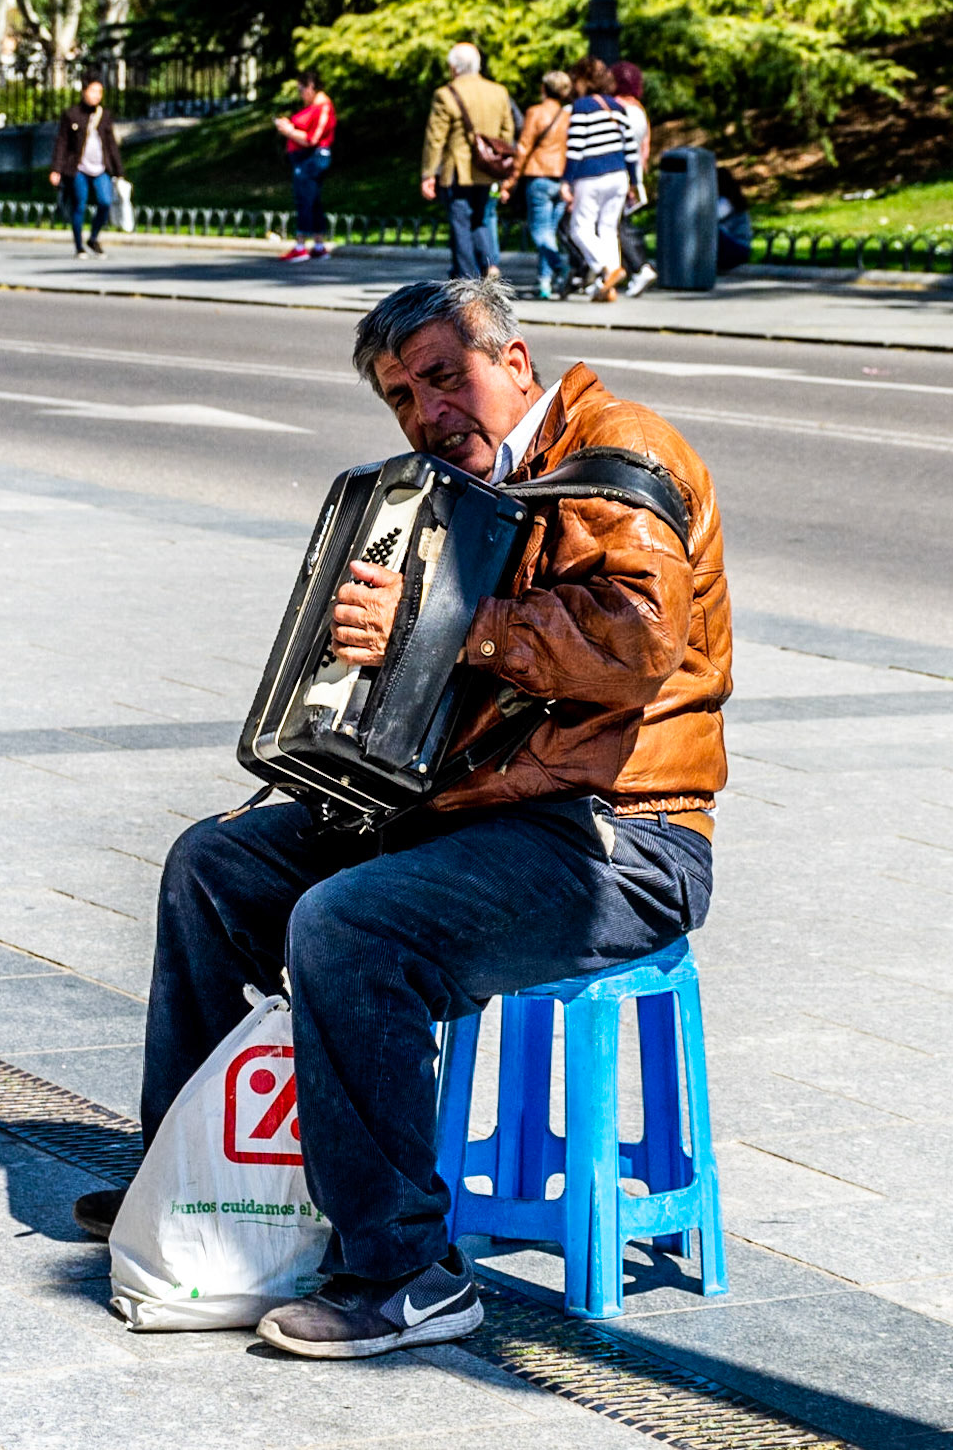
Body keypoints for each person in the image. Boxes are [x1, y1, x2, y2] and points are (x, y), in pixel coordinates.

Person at [75, 277, 731, 1360]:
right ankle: (188, 1191)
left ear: (514, 359)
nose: (428, 413)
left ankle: (406, 1270)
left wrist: (448, 619)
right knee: (214, 865)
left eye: (443, 377)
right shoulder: (455, 493)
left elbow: (633, 642)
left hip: (624, 836)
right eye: (401, 398)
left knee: (351, 923)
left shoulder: (623, 450)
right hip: (483, 817)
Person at [420, 43, 515, 280]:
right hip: (488, 169)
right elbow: (507, 132)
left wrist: (428, 174)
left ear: (454, 67)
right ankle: (488, 264)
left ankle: (466, 278)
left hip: (458, 170)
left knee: (460, 223)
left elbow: (435, 139)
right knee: (481, 218)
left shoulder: (446, 94)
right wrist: (501, 167)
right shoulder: (498, 91)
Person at [564, 56, 635, 301]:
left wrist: (566, 181)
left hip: (590, 174)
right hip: (619, 174)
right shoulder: (617, 107)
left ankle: (606, 270)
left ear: (582, 80)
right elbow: (630, 148)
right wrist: (635, 181)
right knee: (608, 228)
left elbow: (575, 147)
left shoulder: (582, 106)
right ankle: (609, 288)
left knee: (579, 228)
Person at [503, 70, 572, 299]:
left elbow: (523, 148)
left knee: (539, 232)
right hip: (562, 179)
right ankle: (545, 283)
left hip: (539, 176)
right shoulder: (568, 115)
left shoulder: (536, 112)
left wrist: (511, 180)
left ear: (544, 88)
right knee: (550, 233)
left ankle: (561, 268)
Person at [49, 73, 122, 257]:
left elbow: (111, 144)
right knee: (79, 205)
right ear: (84, 92)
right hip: (78, 168)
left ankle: (94, 237)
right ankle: (79, 246)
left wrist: (119, 171)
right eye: (93, 91)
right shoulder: (71, 115)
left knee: (105, 202)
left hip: (100, 168)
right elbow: (62, 142)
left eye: (100, 92)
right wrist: (56, 169)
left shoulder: (104, 115)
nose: (97, 95)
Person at [273, 71, 336, 262]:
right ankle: (318, 244)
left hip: (312, 159)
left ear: (311, 86)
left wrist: (289, 131)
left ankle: (301, 244)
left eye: (302, 90)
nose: (301, 94)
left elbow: (313, 138)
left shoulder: (323, 107)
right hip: (306, 159)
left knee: (304, 199)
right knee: (313, 199)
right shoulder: (313, 107)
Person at [609, 60, 657, 298]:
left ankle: (640, 267)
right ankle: (627, 271)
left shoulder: (616, 107)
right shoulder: (639, 109)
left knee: (616, 224)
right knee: (620, 222)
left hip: (619, 172)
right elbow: (644, 147)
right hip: (634, 174)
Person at [716, 170, 754, 273]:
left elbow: (710, 219)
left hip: (737, 248)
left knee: (713, 231)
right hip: (739, 248)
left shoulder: (726, 202)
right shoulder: (729, 199)